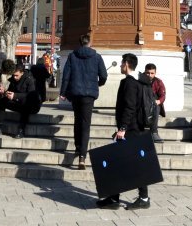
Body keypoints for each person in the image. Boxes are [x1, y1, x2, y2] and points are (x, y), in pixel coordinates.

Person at [97, 53, 153, 210]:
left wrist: (122, 129)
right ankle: (115, 197)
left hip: (131, 129)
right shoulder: (142, 81)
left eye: (122, 63)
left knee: (131, 163)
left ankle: (143, 197)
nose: (121, 66)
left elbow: (129, 107)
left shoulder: (130, 83)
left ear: (127, 64)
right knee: (121, 162)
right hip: (137, 127)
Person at [60, 34, 108, 170]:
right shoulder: (97, 57)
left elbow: (66, 76)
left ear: (80, 42)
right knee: (86, 124)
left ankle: (77, 147)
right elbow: (104, 75)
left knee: (77, 120)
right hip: (89, 94)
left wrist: (63, 92)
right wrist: (99, 83)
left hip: (75, 93)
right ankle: (82, 156)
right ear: (90, 42)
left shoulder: (72, 56)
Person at [0, 64, 42, 138]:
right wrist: (5, 91)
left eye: (17, 75)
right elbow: (11, 91)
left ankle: (21, 130)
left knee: (26, 103)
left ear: (22, 73)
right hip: (18, 103)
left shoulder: (30, 80)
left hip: (32, 106)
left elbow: (31, 96)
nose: (14, 77)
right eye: (13, 75)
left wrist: (15, 96)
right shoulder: (13, 79)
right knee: (2, 101)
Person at [143, 63, 166, 143]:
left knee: (156, 107)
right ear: (144, 72)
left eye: (152, 73)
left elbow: (162, 95)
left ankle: (154, 132)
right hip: (142, 104)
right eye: (147, 73)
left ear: (155, 73)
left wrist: (158, 101)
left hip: (153, 105)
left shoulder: (158, 82)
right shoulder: (138, 81)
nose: (149, 75)